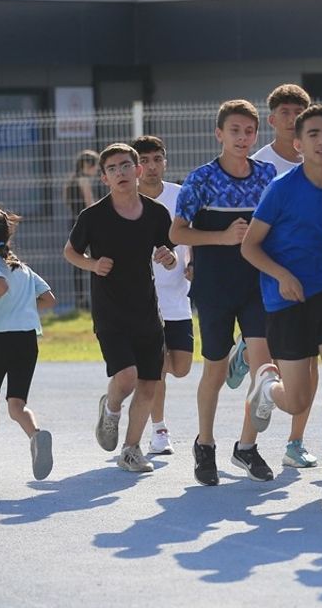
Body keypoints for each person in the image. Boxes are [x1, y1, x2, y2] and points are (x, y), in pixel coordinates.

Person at [240, 105, 322, 513]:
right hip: (287, 300)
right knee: (295, 401)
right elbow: (250, 246)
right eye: (312, 134)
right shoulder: (280, 189)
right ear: (297, 144)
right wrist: (281, 275)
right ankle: (265, 385)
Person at [171, 100, 278, 486]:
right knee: (215, 369)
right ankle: (206, 444)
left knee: (264, 366)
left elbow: (277, 223)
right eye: (234, 130)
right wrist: (221, 236)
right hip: (214, 286)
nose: (242, 137)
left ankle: (246, 447)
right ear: (219, 134)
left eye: (249, 131)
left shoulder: (267, 175)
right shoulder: (200, 179)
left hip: (257, 282)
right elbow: (177, 232)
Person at [63, 143, 178, 474]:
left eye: (126, 165)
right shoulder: (93, 216)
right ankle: (111, 409)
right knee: (126, 378)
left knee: (148, 384)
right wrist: (93, 264)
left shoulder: (156, 213)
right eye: (112, 168)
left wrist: (168, 258)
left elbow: (168, 252)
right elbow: (70, 252)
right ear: (104, 178)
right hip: (110, 311)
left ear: (138, 170)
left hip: (146, 311)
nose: (121, 172)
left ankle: (131, 449)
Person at [247, 83, 321, 471]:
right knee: (275, 358)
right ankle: (246, 354)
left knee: (309, 367)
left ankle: (295, 441)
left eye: (299, 112)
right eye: (286, 112)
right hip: (269, 277)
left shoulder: (320, 159)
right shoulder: (260, 166)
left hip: (315, 280)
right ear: (272, 119)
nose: (292, 119)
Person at [0, 207, 58, 490]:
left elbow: (0, 286)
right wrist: (25, 309)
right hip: (27, 340)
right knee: (17, 406)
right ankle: (35, 434)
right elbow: (49, 299)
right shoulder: (23, 268)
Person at [132, 135, 193, 456]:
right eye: (145, 161)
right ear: (135, 166)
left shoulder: (181, 196)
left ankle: (142, 371)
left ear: (164, 162)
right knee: (155, 366)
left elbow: (192, 235)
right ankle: (159, 429)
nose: (151, 167)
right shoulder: (125, 201)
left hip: (178, 298)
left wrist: (191, 261)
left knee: (181, 366)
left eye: (157, 159)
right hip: (141, 301)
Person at [64, 150, 101, 309]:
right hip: (85, 224)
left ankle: (80, 298)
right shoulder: (84, 180)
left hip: (74, 222)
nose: (97, 170)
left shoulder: (72, 180)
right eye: (95, 166)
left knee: (77, 260)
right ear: (86, 165)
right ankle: (89, 299)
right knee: (93, 258)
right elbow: (90, 204)